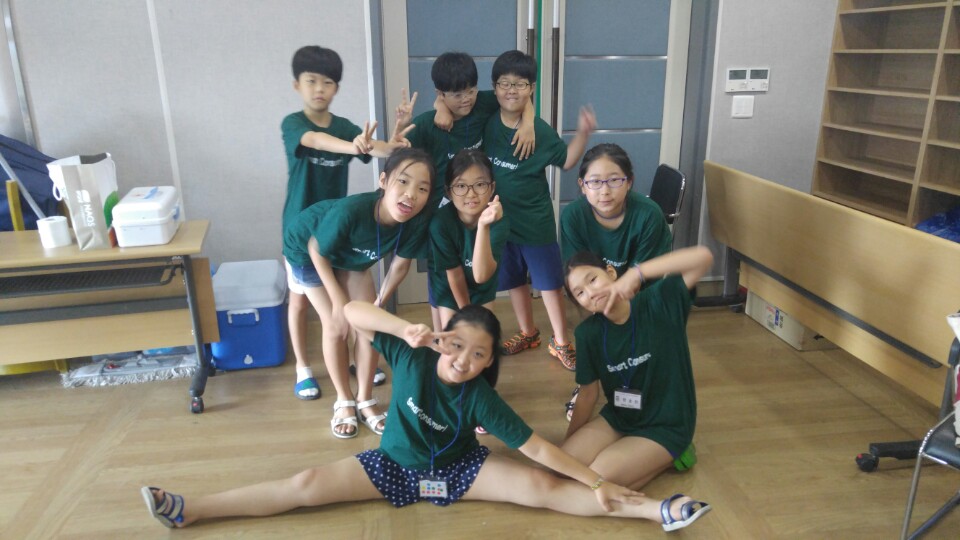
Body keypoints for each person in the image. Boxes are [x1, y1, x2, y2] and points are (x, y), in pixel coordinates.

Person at [141, 301, 711, 532]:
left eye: (479, 355)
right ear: (441, 340)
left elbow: (537, 449)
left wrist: (595, 480)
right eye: (457, 346)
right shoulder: (411, 356)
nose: (464, 360)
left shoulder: (481, 396)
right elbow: (349, 313)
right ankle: (191, 509)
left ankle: (655, 510)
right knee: (306, 485)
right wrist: (404, 328)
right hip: (392, 465)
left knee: (545, 488)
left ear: (489, 364)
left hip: (462, 471)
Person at [282, 45, 411, 400]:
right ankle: (302, 368)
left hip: (336, 231)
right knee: (302, 303)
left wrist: (394, 142)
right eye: (311, 81)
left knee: (346, 310)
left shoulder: (345, 127)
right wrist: (355, 147)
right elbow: (317, 141)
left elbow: (376, 148)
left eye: (327, 82)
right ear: (297, 85)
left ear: (336, 88)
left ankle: (357, 366)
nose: (319, 89)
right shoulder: (294, 124)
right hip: (301, 233)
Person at [281, 148, 433, 439]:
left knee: (370, 324)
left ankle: (365, 398)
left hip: (349, 257)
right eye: (403, 182)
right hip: (307, 252)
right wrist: (339, 302)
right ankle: (344, 401)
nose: (411, 194)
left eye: (422, 188)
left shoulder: (416, 221)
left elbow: (399, 266)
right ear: (383, 181)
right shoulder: (351, 211)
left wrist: (377, 305)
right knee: (336, 324)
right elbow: (316, 249)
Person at [395, 51, 536, 333]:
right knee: (441, 275)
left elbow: (520, 98)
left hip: (474, 208)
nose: (466, 99)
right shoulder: (428, 124)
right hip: (440, 214)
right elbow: (397, 150)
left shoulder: (482, 104)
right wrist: (411, 121)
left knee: (477, 265)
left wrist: (529, 123)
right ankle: (443, 334)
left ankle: (473, 319)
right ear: (440, 93)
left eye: (471, 91)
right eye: (457, 95)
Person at [561, 246, 713, 493]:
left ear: (611, 272)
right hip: (621, 417)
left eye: (593, 279)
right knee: (563, 468)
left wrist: (637, 273)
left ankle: (670, 454)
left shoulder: (659, 301)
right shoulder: (587, 334)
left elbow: (703, 257)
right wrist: (569, 446)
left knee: (597, 480)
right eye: (580, 293)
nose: (590, 292)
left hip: (666, 424)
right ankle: (642, 462)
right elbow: (587, 394)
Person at [483, 50, 596, 370]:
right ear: (494, 87)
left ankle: (561, 342)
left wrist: (583, 133)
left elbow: (567, 160)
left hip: (535, 223)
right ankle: (528, 332)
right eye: (504, 83)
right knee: (513, 280)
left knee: (549, 283)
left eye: (520, 84)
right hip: (501, 222)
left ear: (531, 88)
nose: (511, 90)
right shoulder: (487, 116)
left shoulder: (541, 132)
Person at [559, 143, 674, 419]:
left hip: (641, 296)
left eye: (614, 180)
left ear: (629, 182)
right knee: (593, 334)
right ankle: (588, 386)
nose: (605, 191)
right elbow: (578, 277)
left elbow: (643, 279)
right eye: (595, 182)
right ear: (582, 185)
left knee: (636, 352)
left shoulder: (648, 214)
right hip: (597, 293)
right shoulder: (573, 216)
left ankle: (636, 389)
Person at [428, 149, 509, 329]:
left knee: (482, 335)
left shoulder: (499, 221)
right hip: (448, 285)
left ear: (492, 188)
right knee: (452, 337)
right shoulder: (440, 223)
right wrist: (467, 315)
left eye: (480, 184)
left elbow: (481, 276)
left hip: (482, 288)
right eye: (460, 186)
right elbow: (454, 274)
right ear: (448, 192)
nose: (471, 194)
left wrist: (483, 226)